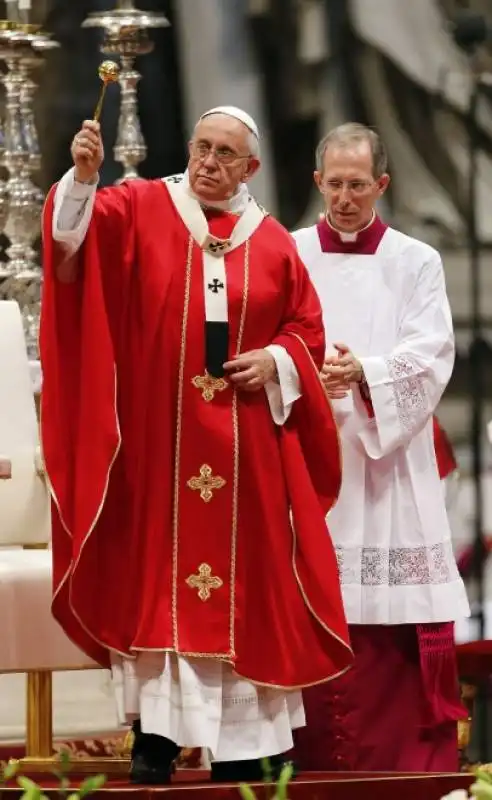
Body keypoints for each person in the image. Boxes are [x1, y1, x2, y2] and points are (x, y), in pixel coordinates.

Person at [40, 106, 352, 784]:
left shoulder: (272, 243)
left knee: (246, 592)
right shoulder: (141, 207)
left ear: (252, 168)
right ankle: (156, 738)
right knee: (161, 589)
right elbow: (70, 246)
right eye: (203, 148)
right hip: (160, 449)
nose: (210, 163)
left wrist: (276, 361)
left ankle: (246, 751)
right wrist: (83, 179)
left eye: (226, 154)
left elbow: (307, 332)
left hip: (245, 455)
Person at [291, 122, 470, 773]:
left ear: (382, 186)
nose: (344, 197)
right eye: (334, 183)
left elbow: (430, 356)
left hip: (388, 466)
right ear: (318, 182)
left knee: (386, 628)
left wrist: (364, 372)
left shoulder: (416, 261)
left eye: (357, 185)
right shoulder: (288, 253)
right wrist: (306, 372)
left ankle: (403, 769)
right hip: (308, 465)